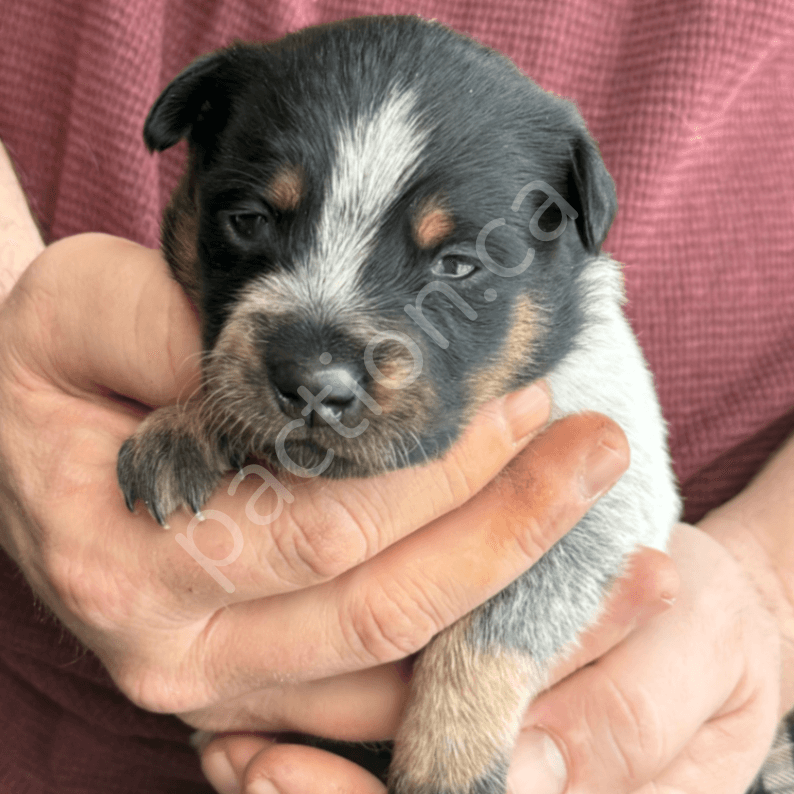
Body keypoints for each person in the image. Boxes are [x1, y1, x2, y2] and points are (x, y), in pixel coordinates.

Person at [1, 2, 793, 794]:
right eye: (250, 222)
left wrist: (770, 590)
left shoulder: (584, 370)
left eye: (457, 266)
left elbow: (619, 523)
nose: (323, 375)